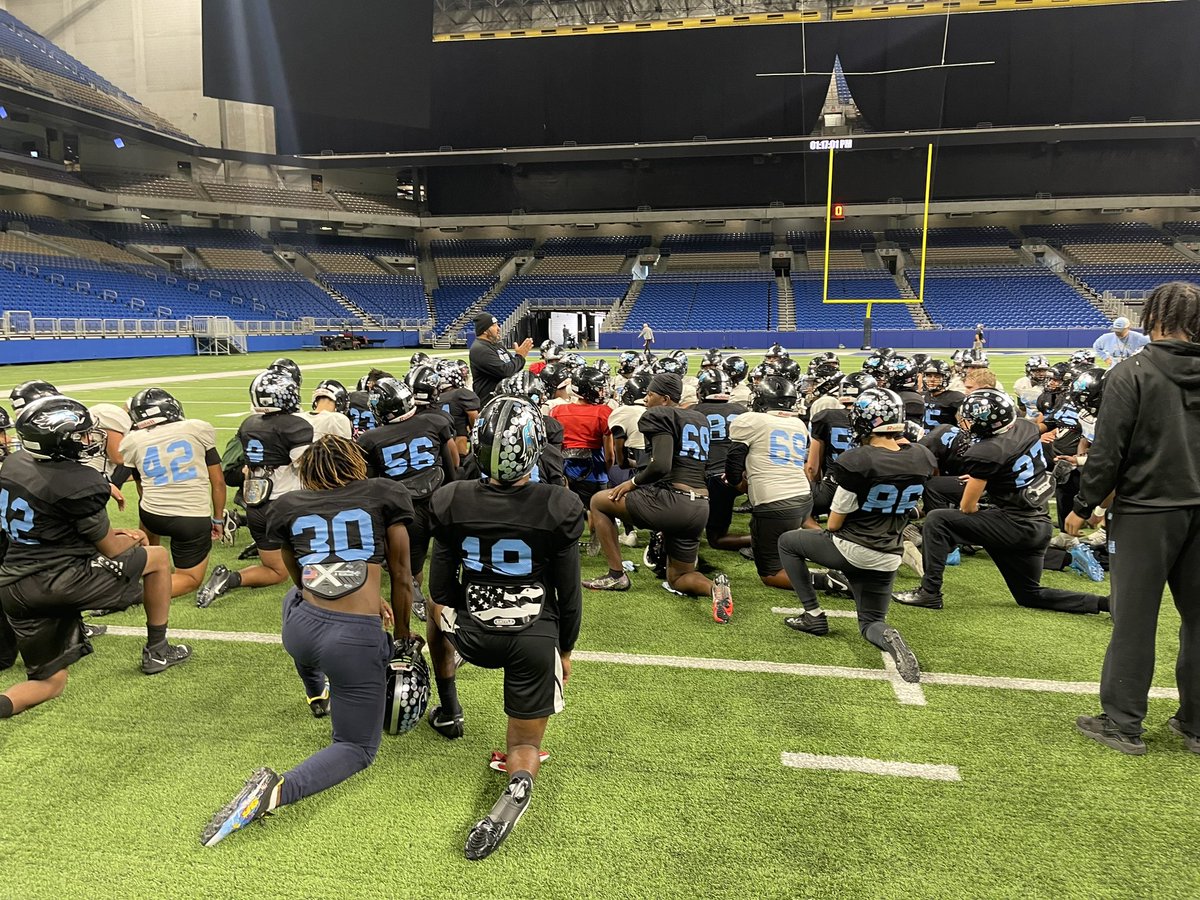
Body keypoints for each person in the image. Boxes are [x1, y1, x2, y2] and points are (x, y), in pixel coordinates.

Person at [201, 435, 417, 846]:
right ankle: (273, 795)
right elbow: (403, 575)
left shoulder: (287, 507)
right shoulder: (384, 493)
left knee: (293, 596)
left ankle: (316, 692)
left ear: (307, 472)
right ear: (355, 463)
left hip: (300, 631)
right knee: (356, 748)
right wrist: (402, 637)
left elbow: (302, 579)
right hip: (351, 641)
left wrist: (369, 597)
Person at [425, 397, 584, 860]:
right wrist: (565, 650)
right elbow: (569, 593)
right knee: (524, 742)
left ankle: (449, 703)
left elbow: (440, 587)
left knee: (434, 616)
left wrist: (469, 616)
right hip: (535, 637)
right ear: (535, 449)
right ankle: (517, 780)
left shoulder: (451, 499)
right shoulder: (558, 504)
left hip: (472, 634)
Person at [1066, 282, 1200, 755]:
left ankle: (1123, 723)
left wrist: (1084, 506)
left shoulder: (1132, 371)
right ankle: (1195, 725)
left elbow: (1108, 452)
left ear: (1151, 317)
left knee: (1134, 619)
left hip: (1147, 511)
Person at [0, 397, 191, 719]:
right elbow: (111, 549)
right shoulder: (81, 483)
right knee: (156, 557)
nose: (89, 439)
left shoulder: (15, 463)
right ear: (59, 440)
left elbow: (54, 521)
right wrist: (135, 536)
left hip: (13, 587)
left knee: (50, 684)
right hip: (58, 583)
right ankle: (158, 649)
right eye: (81, 435)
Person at [894, 389, 1108, 616]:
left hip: (1014, 524)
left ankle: (929, 592)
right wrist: (988, 480)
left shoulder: (986, 451)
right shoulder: (1025, 427)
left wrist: (981, 488)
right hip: (1038, 523)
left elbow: (968, 508)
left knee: (938, 520)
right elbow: (1012, 460)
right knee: (1029, 594)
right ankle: (1104, 603)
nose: (965, 423)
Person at [779, 388, 934, 682]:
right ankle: (890, 636)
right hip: (890, 555)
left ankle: (813, 616)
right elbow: (915, 506)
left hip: (852, 548)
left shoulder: (858, 459)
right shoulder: (922, 456)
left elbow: (836, 523)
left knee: (788, 543)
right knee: (871, 622)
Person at [583, 373, 733, 625]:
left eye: (651, 394)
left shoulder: (657, 415)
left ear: (664, 398)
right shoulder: (699, 418)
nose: (646, 398)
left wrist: (631, 483)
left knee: (599, 501)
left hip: (672, 500)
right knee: (679, 577)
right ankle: (714, 589)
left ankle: (616, 574)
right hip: (700, 506)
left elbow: (661, 466)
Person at [197, 370, 314, 607]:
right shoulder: (296, 426)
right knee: (317, 558)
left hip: (256, 506)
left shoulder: (248, 424)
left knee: (275, 570)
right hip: (288, 506)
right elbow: (308, 468)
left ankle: (230, 578)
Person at [116, 388, 226, 598]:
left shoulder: (132, 441)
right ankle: (125, 595)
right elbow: (218, 482)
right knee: (189, 578)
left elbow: (142, 489)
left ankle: (143, 566)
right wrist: (218, 519)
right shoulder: (196, 428)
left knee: (148, 508)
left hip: (152, 516)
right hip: (191, 519)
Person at [358, 378, 459, 606]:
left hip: (405, 508)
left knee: (411, 566)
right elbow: (451, 464)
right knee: (451, 552)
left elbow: (373, 485)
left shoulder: (369, 440)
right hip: (441, 497)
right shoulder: (434, 421)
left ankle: (416, 600)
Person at [726, 375, 812, 588]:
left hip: (774, 502)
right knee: (783, 546)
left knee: (770, 574)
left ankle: (827, 581)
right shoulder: (798, 423)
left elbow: (734, 462)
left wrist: (737, 483)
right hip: (803, 496)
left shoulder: (751, 420)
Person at [549, 368, 612, 553]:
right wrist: (607, 470)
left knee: (564, 506)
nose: (602, 391)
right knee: (596, 508)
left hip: (564, 468)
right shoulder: (603, 412)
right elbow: (609, 454)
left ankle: (565, 541)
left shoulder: (557, 410)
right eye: (599, 388)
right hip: (595, 468)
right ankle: (595, 541)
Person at [692, 369, 748, 552]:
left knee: (716, 539)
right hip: (739, 477)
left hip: (704, 479)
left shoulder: (692, 412)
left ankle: (763, 539)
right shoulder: (742, 411)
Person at [470, 313, 532, 404]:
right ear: (485, 330)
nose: (498, 328)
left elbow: (514, 368)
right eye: (494, 325)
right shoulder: (480, 349)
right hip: (489, 402)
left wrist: (518, 358)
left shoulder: (497, 345)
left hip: (503, 399)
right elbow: (505, 371)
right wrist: (520, 356)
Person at [921, 359, 965, 430]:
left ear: (946, 378)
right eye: (929, 376)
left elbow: (965, 426)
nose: (932, 379)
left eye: (937, 376)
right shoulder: (920, 396)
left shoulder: (956, 398)